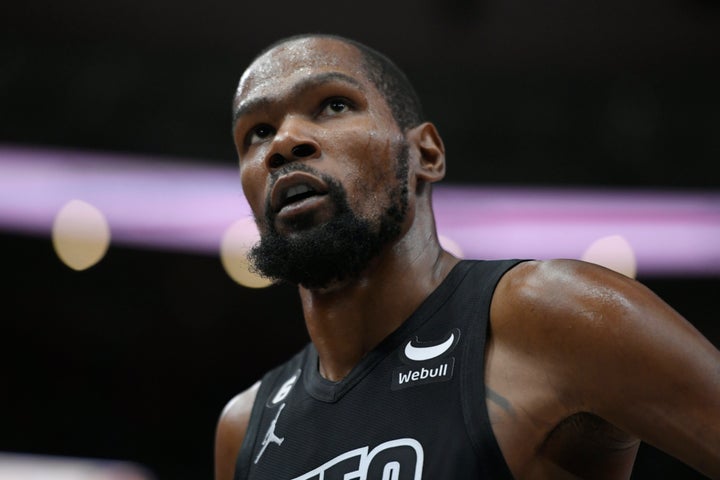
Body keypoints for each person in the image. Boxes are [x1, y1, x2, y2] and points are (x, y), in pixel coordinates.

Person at [215, 33, 720, 479]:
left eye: (333, 105)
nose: (282, 143)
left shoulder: (553, 313)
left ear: (426, 155)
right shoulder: (245, 427)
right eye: (256, 133)